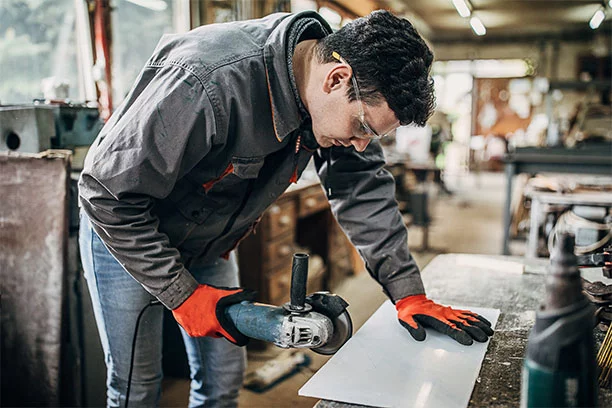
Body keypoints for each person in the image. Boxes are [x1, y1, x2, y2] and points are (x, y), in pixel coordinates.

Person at [78, 9, 493, 407]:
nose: (363, 144)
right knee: (136, 387)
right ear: (336, 78)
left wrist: (408, 294)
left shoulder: (334, 88)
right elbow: (106, 193)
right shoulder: (207, 81)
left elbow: (362, 185)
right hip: (126, 235)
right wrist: (181, 294)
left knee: (222, 383)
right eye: (363, 127)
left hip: (206, 243)